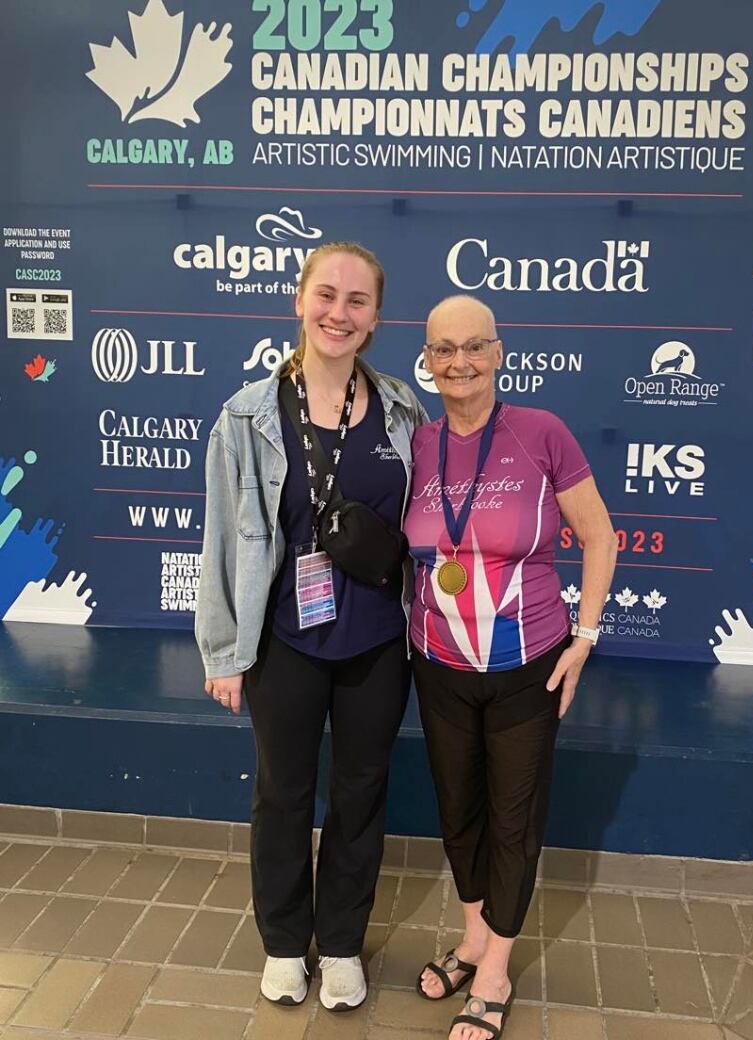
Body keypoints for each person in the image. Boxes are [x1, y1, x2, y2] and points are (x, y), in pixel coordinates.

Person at [195, 241, 427, 1012]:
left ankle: (343, 945)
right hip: (285, 640)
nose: (339, 312)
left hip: (377, 643)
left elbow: (426, 528)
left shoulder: (402, 409)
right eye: (326, 295)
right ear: (299, 301)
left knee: (361, 794)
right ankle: (287, 944)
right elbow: (225, 540)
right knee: (283, 794)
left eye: (357, 301)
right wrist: (225, 652)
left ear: (375, 320)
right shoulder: (246, 416)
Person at [404, 295, 617, 1040]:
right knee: (458, 810)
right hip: (437, 664)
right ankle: (471, 937)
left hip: (528, 662)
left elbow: (599, 536)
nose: (459, 363)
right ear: (425, 361)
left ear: (499, 353)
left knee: (513, 821)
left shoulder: (541, 434)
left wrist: (584, 638)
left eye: (474, 347)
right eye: (443, 350)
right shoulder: (418, 443)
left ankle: (495, 970)